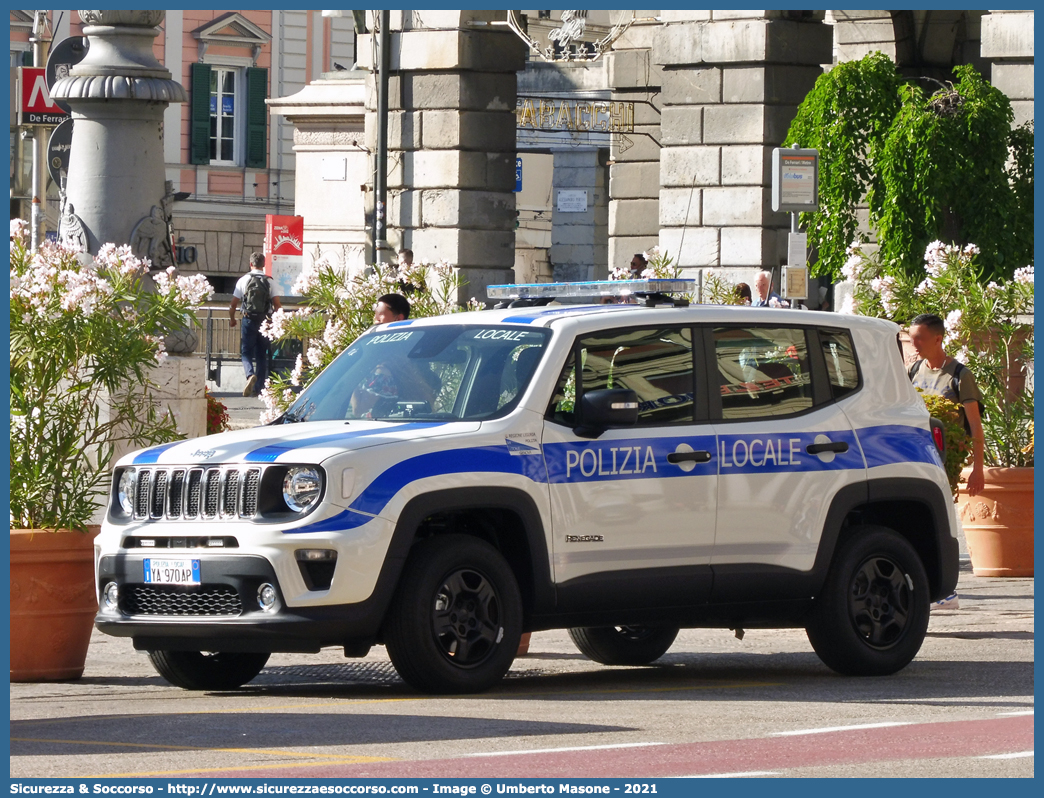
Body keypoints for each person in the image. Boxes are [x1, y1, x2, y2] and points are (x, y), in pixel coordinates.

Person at [908, 313, 985, 612]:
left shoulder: (959, 375)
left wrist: (977, 469)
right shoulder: (914, 369)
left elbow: (975, 426)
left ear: (938, 339)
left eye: (920, 338)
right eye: (912, 337)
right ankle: (928, 588)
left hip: (945, 461)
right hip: (916, 457)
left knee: (939, 524)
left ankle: (945, 591)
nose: (914, 344)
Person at [229, 252, 282, 397]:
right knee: (261, 354)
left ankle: (249, 375)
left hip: (248, 319)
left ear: (250, 264)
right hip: (265, 320)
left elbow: (233, 304)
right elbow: (277, 305)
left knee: (246, 351)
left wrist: (232, 319)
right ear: (264, 264)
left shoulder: (243, 280)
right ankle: (258, 388)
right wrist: (279, 322)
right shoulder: (270, 281)